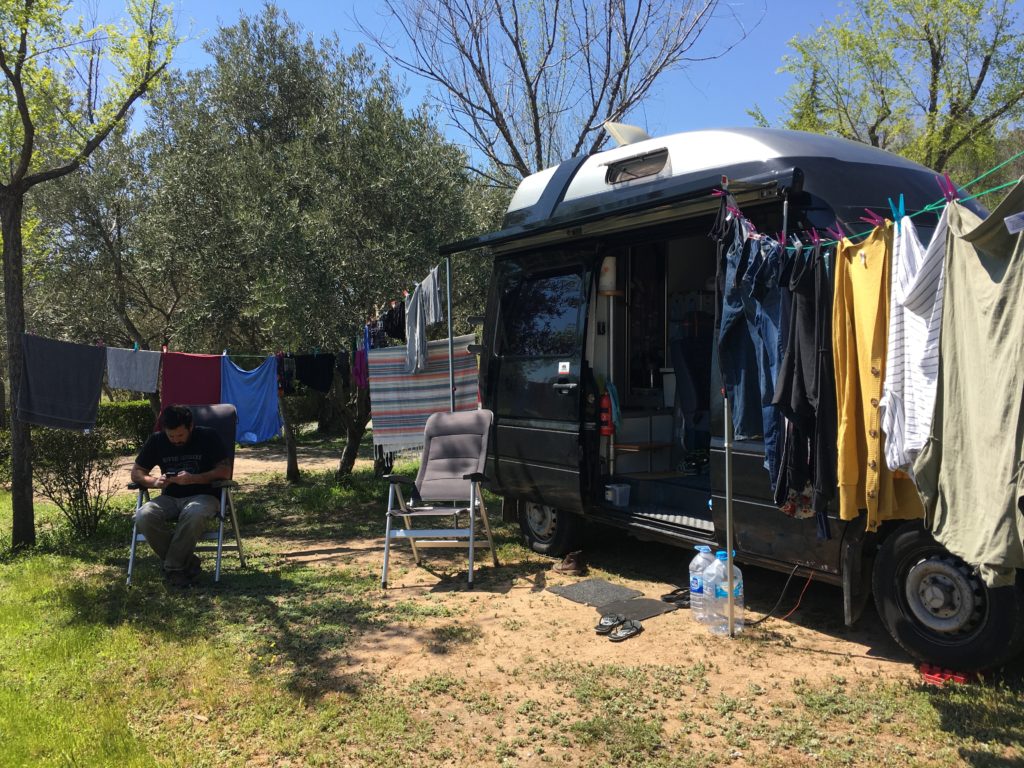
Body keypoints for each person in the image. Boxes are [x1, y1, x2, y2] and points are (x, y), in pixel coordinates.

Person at [131, 405, 230, 587]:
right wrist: (153, 482)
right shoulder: (157, 440)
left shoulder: (208, 437)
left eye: (180, 436)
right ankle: (187, 563)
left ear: (190, 427)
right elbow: (137, 472)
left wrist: (194, 479)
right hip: (170, 498)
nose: (176, 440)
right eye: (171, 436)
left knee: (194, 514)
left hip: (204, 495)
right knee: (143, 516)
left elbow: (224, 471)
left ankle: (174, 568)